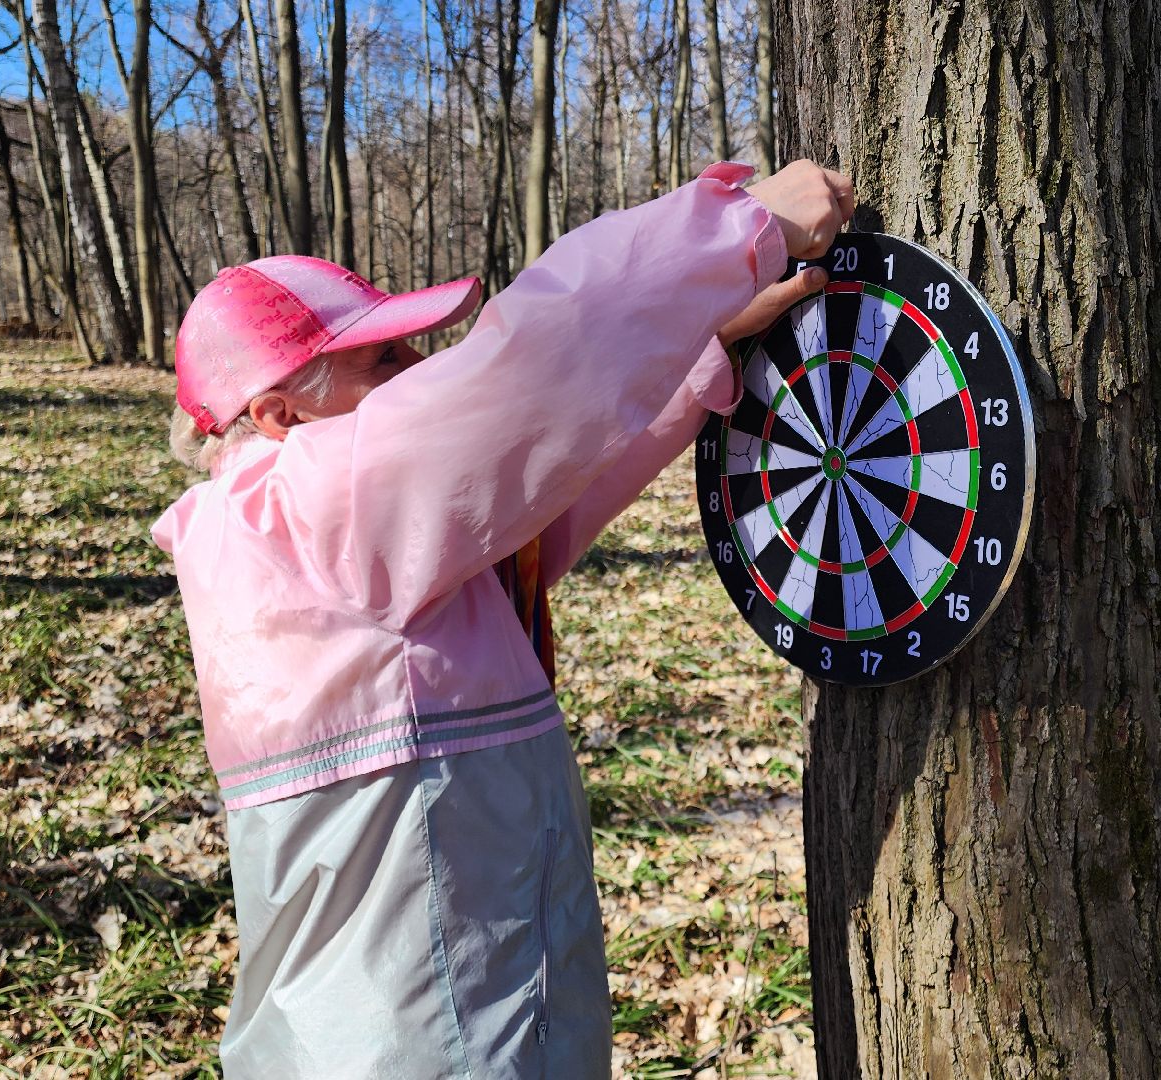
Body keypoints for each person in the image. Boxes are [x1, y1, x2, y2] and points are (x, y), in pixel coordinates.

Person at [153, 159, 852, 1078]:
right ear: (280, 413)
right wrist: (737, 230)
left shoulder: (306, 543)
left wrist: (697, 349)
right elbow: (531, 364)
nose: (419, 370)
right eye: (382, 359)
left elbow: (540, 486)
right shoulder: (318, 506)